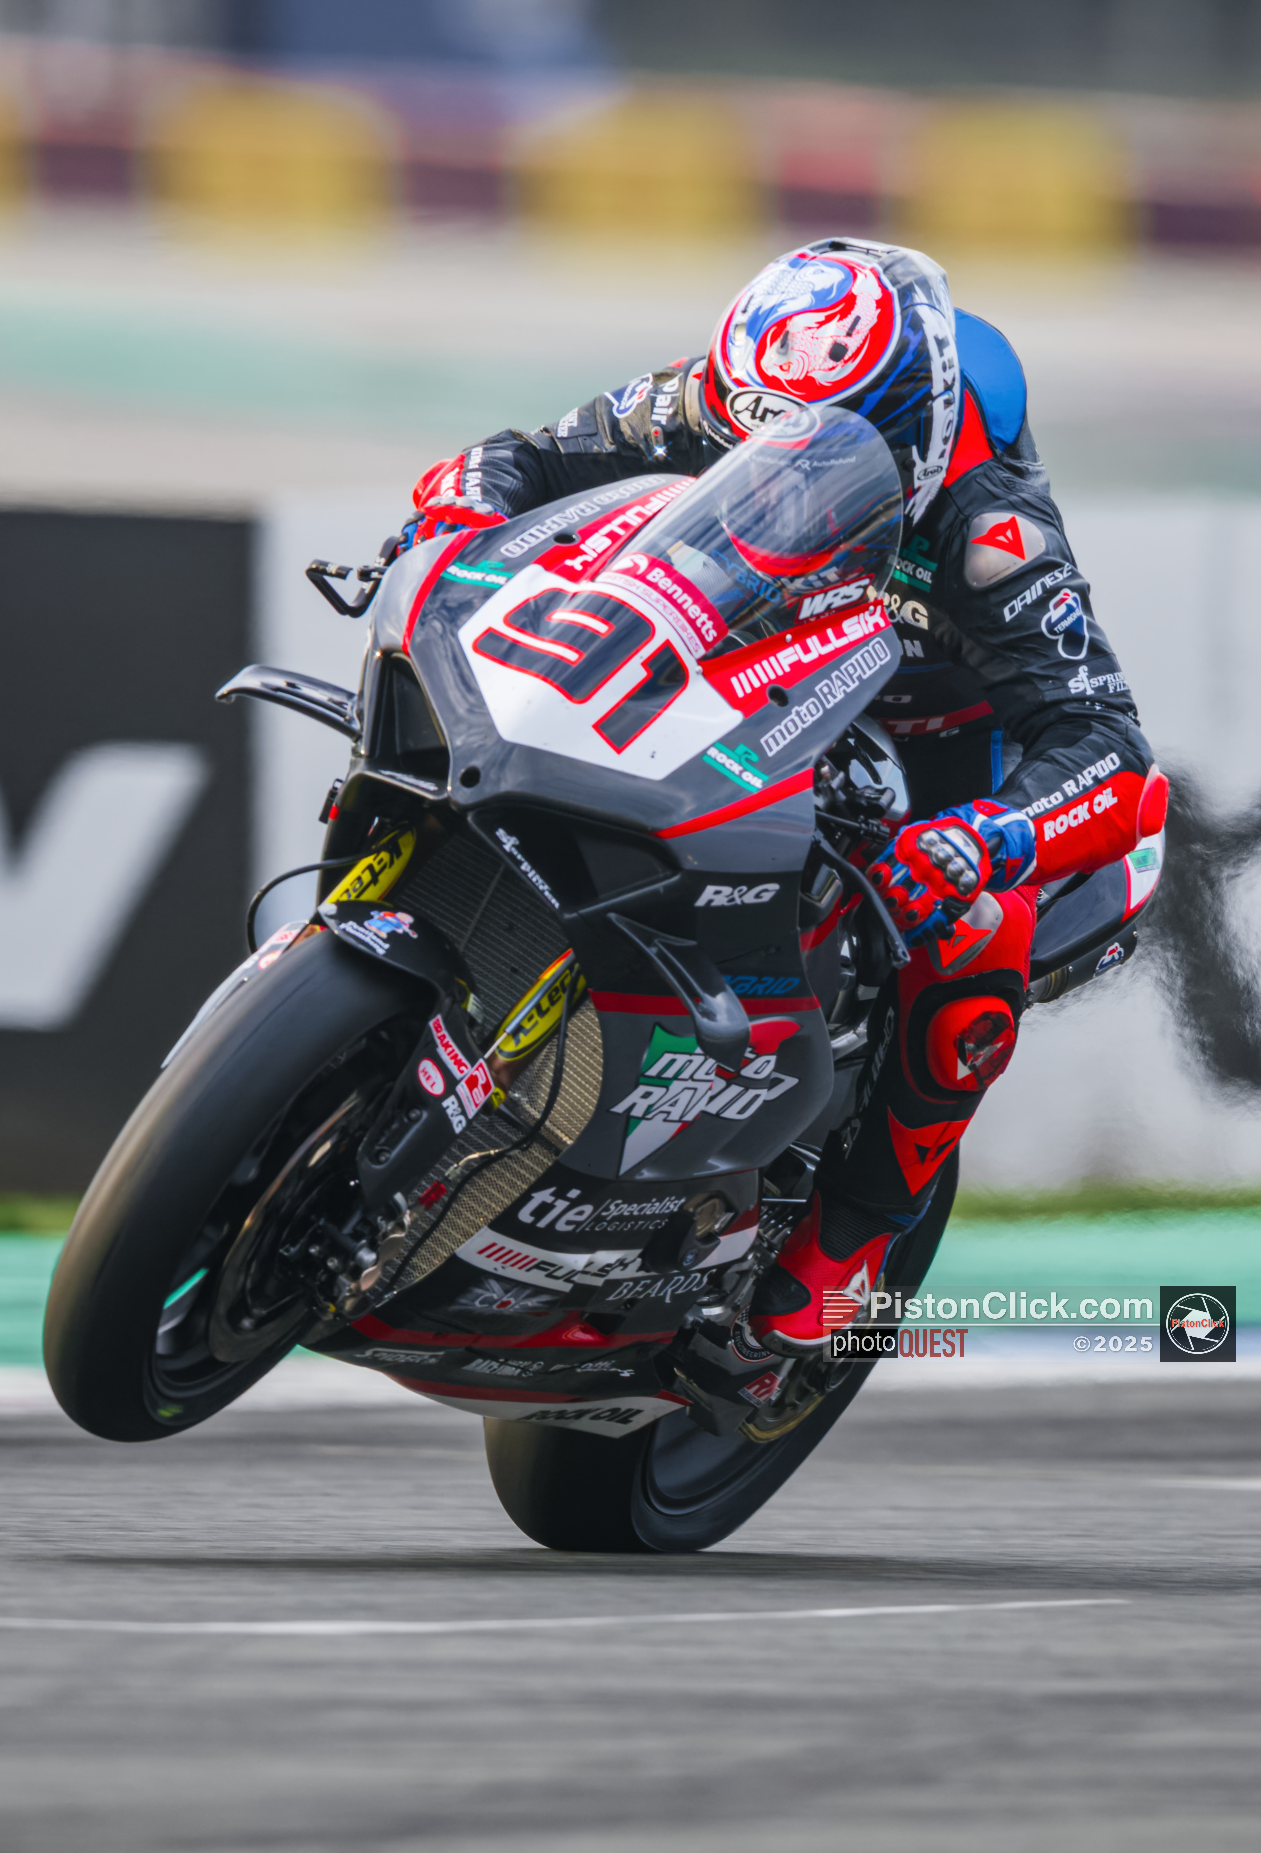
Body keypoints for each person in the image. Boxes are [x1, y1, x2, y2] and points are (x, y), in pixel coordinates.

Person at [390, 239, 1166, 1352]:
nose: (776, 466)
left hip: (928, 732)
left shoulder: (990, 524)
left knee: (975, 927)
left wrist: (984, 837)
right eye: (750, 433)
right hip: (749, 653)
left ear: (910, 433)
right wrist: (456, 518)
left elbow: (1110, 749)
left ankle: (850, 1244)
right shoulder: (712, 392)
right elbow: (523, 459)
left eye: (816, 448)